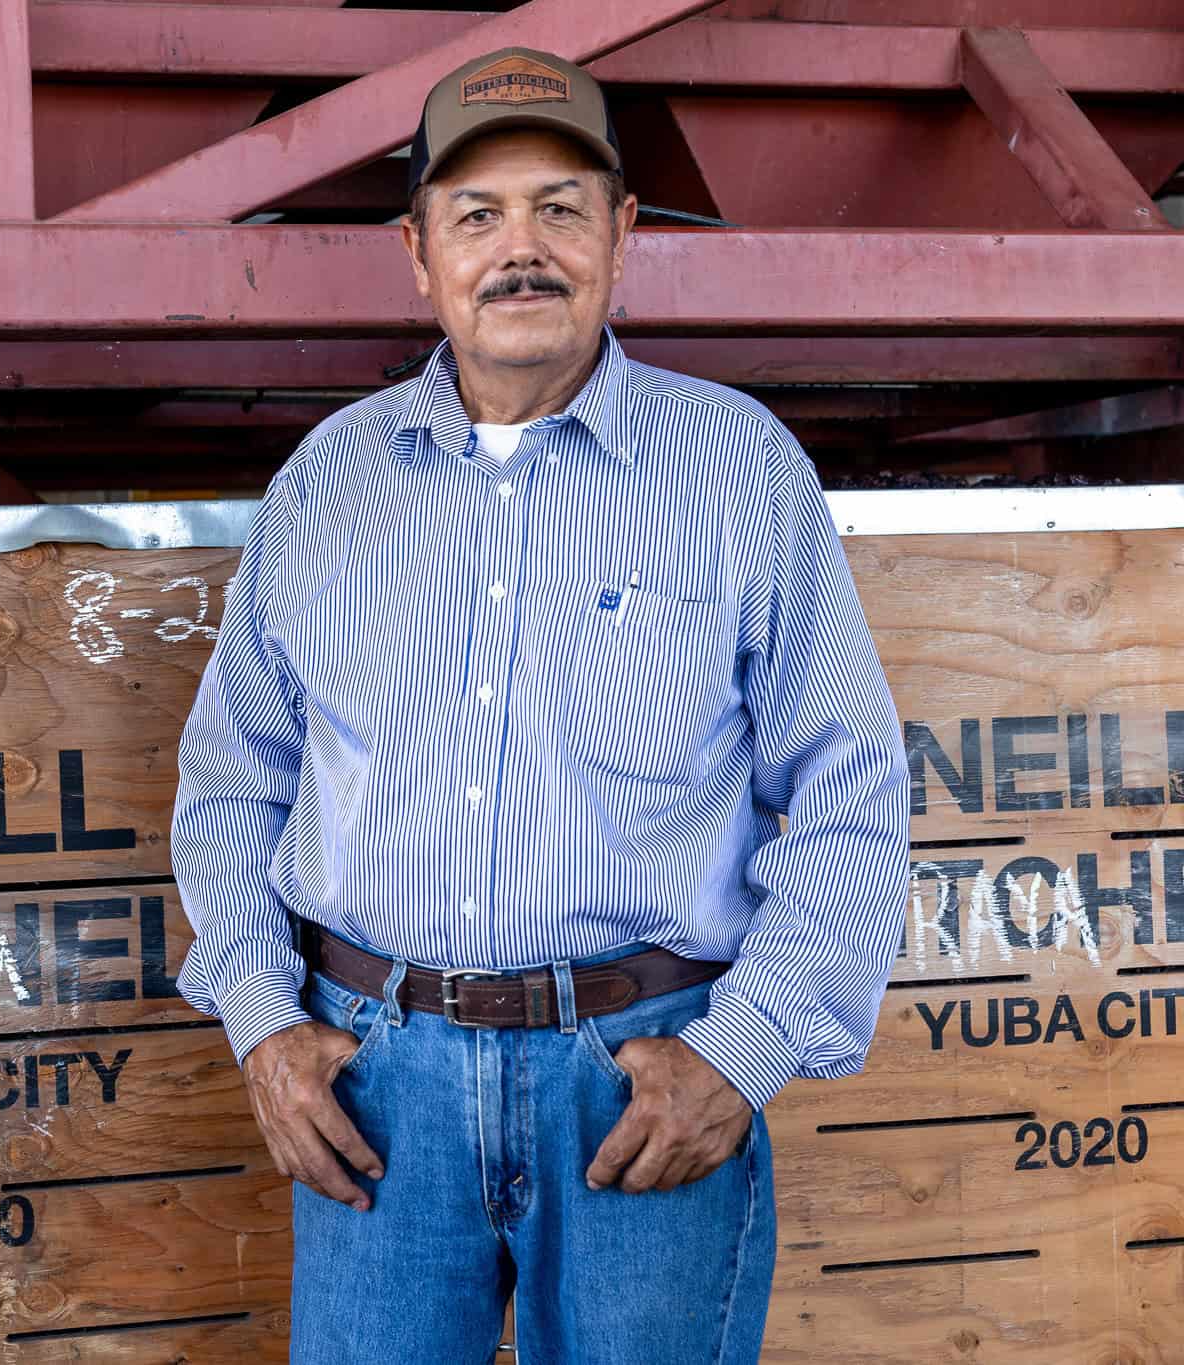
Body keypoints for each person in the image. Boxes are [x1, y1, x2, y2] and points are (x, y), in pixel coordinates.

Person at [169, 45, 911, 1365]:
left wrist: (738, 1054)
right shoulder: (327, 489)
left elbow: (849, 787)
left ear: (623, 234)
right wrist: (261, 1022)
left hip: (644, 1081)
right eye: (479, 215)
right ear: (417, 252)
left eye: (561, 208)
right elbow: (236, 783)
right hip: (373, 1087)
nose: (524, 249)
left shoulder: (740, 471)